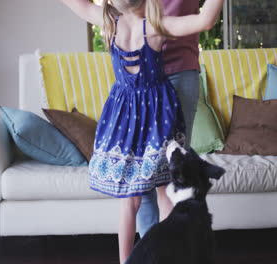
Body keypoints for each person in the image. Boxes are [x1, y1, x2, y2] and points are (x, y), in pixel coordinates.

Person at [61, 0, 224, 263]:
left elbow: (77, 5)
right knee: (165, 191)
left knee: (129, 201)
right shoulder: (155, 28)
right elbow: (205, 21)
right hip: (158, 115)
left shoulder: (110, 22)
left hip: (124, 119)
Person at [136, 0, 202, 238]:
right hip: (140, 78)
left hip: (179, 73)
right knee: (144, 182)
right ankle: (150, 252)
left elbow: (205, 20)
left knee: (173, 178)